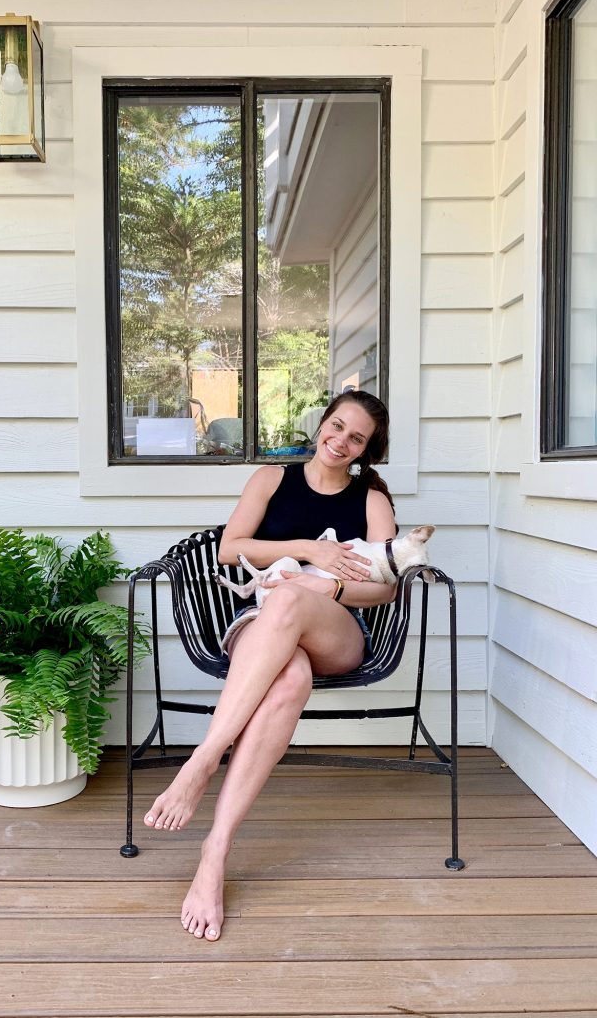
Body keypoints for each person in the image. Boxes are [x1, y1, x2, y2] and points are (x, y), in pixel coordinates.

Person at [143, 389, 398, 941]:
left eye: (356, 437)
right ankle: (215, 853)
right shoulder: (270, 480)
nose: (340, 441)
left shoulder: (372, 500)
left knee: (287, 600)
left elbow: (386, 587)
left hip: (336, 631)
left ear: (367, 449)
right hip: (260, 630)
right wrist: (311, 548)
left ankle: (204, 758)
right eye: (336, 426)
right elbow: (228, 550)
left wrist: (326, 582)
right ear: (320, 424)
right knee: (289, 677)